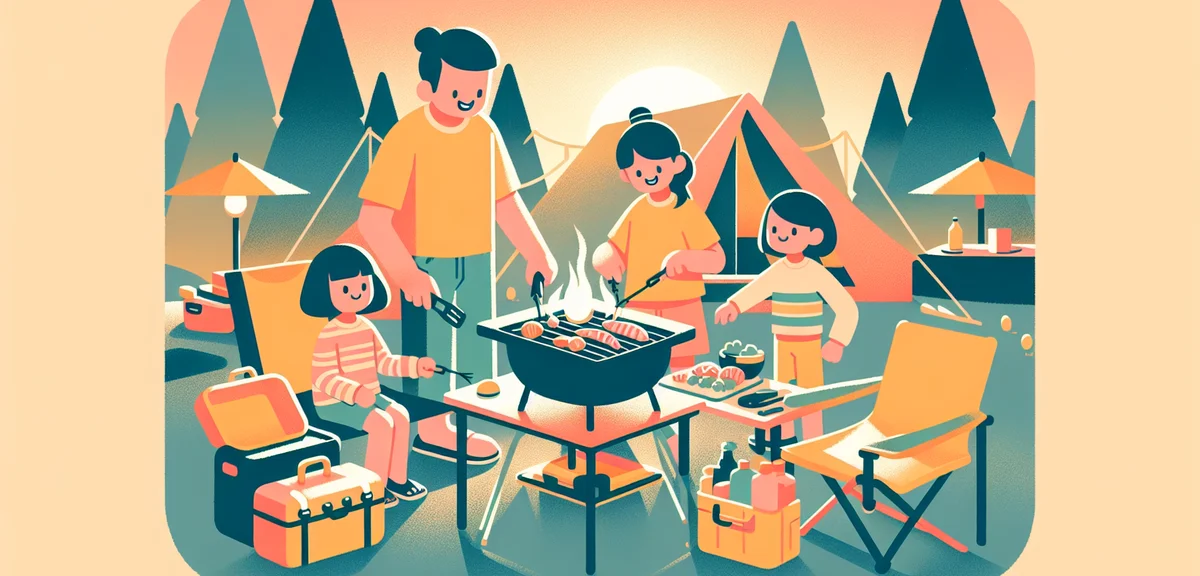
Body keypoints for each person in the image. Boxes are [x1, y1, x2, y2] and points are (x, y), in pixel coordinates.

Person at [357, 27, 556, 465]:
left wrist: (535, 251)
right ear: (427, 87)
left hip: (479, 259)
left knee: (475, 345)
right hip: (426, 263)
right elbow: (372, 218)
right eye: (458, 90)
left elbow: (505, 201)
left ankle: (464, 418)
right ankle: (432, 431)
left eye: (479, 91)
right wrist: (406, 272)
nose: (469, 100)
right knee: (430, 353)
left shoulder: (485, 131)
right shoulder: (407, 135)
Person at [714, 190, 858, 444]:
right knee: (781, 394)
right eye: (774, 229)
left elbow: (846, 306)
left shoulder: (816, 272)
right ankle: (786, 438)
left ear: (815, 235)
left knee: (811, 396)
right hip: (781, 342)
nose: (781, 235)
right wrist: (733, 305)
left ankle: (813, 440)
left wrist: (837, 341)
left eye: (792, 231)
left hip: (810, 344)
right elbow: (757, 289)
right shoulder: (777, 270)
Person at [592, 107, 725, 371]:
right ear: (626, 175)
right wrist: (605, 258)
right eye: (638, 172)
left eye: (657, 167)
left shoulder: (687, 211)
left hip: (682, 306)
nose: (649, 176)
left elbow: (717, 260)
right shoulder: (637, 211)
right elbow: (613, 247)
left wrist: (685, 259)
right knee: (641, 371)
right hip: (640, 306)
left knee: (681, 370)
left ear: (677, 164)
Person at [301, 244, 431, 505]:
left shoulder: (366, 326)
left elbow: (384, 362)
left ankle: (397, 480)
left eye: (363, 286)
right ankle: (373, 488)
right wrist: (354, 392)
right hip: (334, 403)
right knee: (382, 424)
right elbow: (323, 378)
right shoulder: (329, 333)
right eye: (345, 289)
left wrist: (414, 366)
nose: (356, 294)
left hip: (370, 395)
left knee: (400, 415)